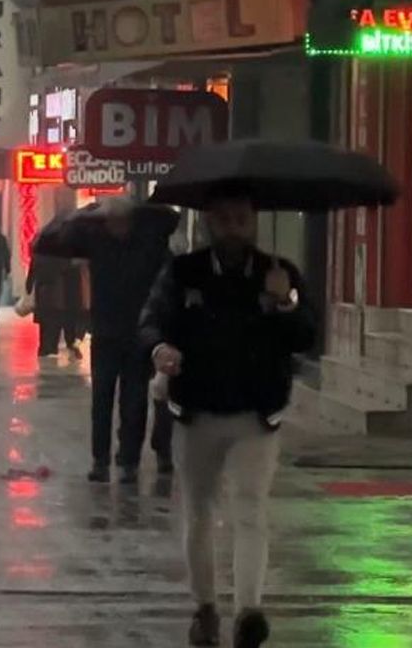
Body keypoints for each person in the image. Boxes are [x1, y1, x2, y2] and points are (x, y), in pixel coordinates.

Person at [138, 190, 316, 648]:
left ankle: (248, 613)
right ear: (208, 223)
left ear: (253, 221)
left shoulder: (278, 273)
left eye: (241, 218)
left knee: (250, 509)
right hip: (196, 413)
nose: (233, 228)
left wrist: (285, 302)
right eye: (223, 219)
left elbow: (307, 337)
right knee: (199, 513)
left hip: (256, 415)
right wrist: (160, 348)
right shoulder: (183, 272)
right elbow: (152, 319)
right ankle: (205, 609)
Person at [54, 198, 176, 484]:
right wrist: (84, 213)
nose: (114, 225)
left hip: (137, 334)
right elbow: (64, 239)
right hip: (105, 332)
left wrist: (142, 208)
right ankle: (101, 460)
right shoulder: (97, 241)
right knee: (102, 400)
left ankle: (128, 460)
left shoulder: (147, 244)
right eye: (110, 220)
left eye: (120, 220)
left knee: (134, 401)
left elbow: (170, 219)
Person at [25, 252, 81, 357]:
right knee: (56, 318)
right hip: (57, 289)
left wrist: (29, 283)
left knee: (45, 320)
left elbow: (33, 267)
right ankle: (52, 347)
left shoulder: (41, 252)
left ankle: (45, 347)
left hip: (44, 289)